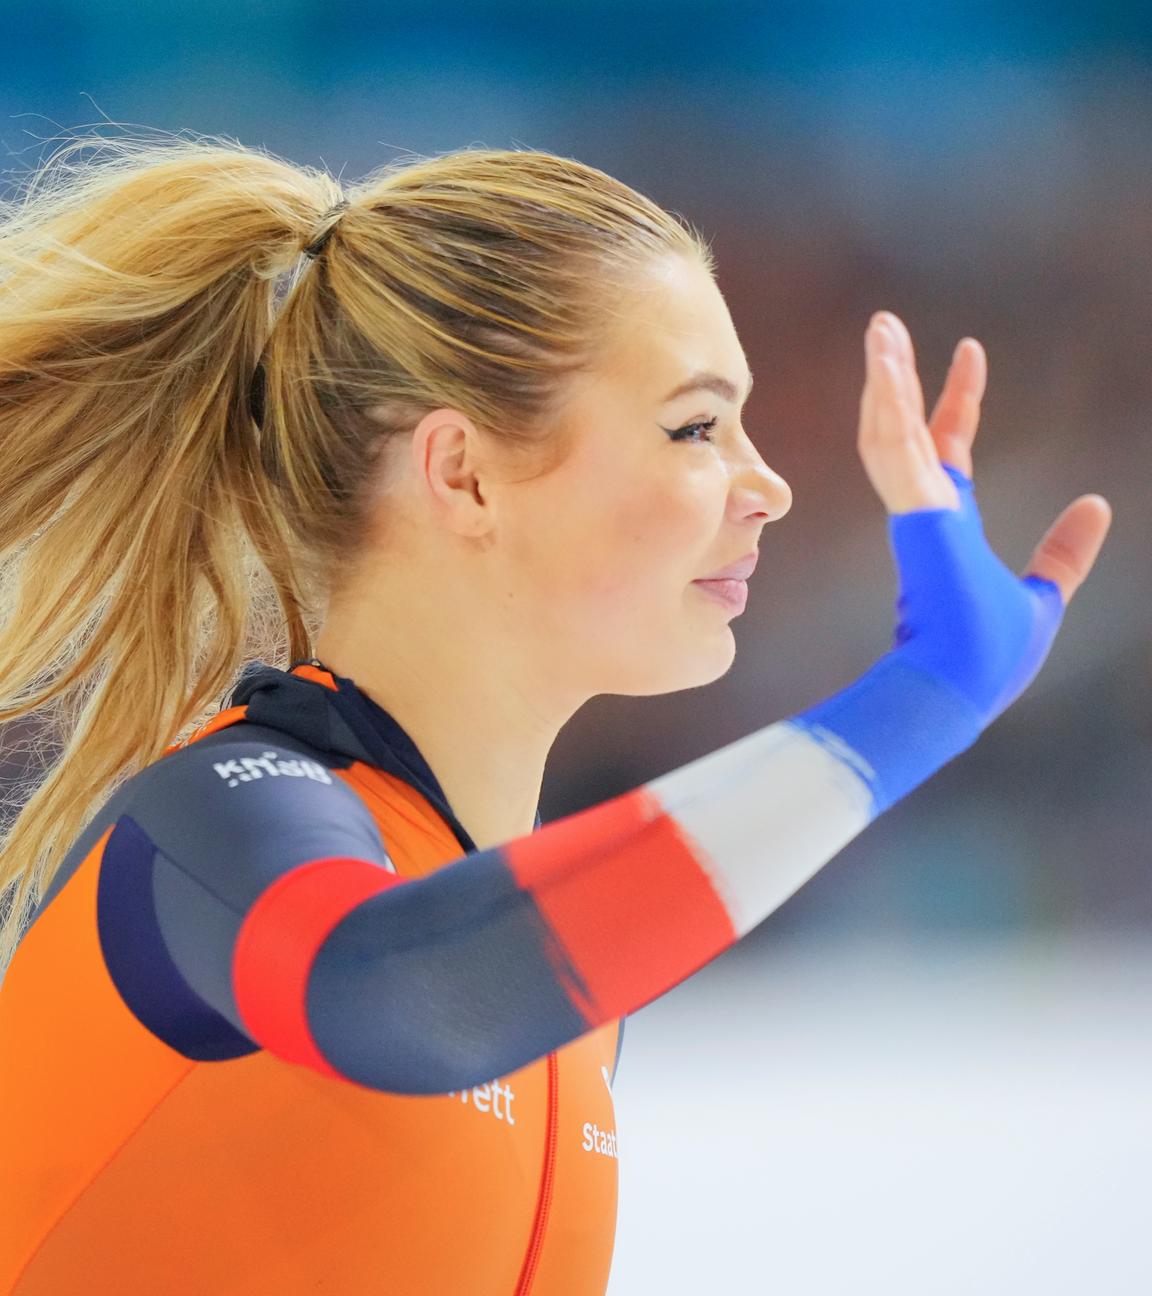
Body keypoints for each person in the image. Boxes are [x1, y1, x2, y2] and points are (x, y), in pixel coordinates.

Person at [0, 135, 1111, 1296]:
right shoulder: (218, 832)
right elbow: (391, 988)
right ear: (463, 473)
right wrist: (917, 707)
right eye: (696, 427)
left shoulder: (560, 995)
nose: (767, 483)